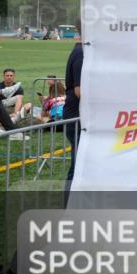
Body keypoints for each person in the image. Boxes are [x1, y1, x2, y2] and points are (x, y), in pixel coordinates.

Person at [63, 29, 84, 184]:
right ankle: (69, 196)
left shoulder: (81, 51)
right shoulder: (81, 53)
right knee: (77, 167)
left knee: (80, 165)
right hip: (76, 116)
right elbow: (79, 91)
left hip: (77, 115)